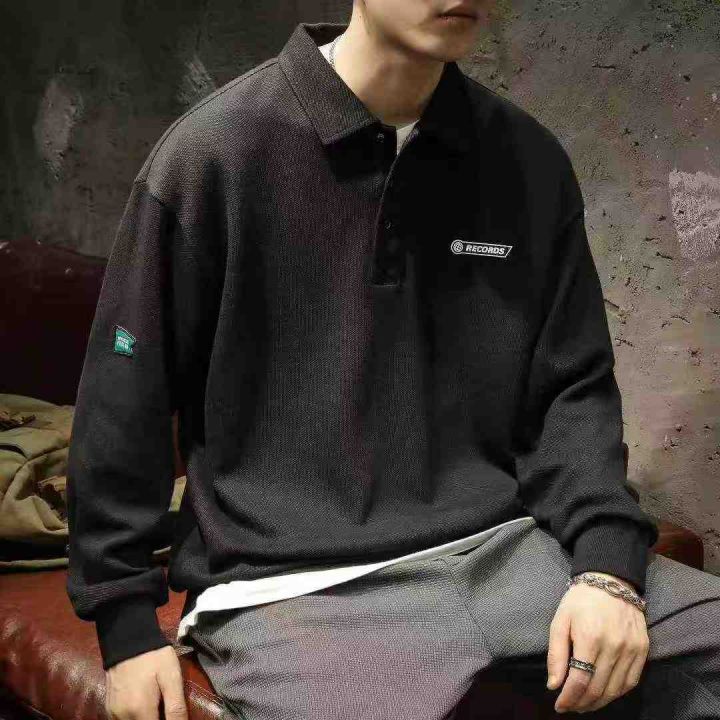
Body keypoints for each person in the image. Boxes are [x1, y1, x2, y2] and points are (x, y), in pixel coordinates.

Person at [65, 2, 720, 719]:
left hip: (513, 551)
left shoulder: (526, 161)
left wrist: (607, 571)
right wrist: (125, 625)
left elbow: (573, 391)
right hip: (296, 588)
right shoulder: (213, 154)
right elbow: (124, 399)